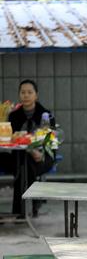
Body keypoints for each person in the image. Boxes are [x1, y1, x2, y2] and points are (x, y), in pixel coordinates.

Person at [0, 79, 55, 217]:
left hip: (41, 158)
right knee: (22, 160)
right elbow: (8, 139)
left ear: (36, 95)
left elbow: (51, 142)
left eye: (29, 92)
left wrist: (39, 152)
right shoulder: (13, 115)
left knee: (26, 164)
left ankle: (21, 211)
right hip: (18, 157)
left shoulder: (46, 115)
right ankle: (29, 206)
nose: (26, 95)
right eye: (23, 92)